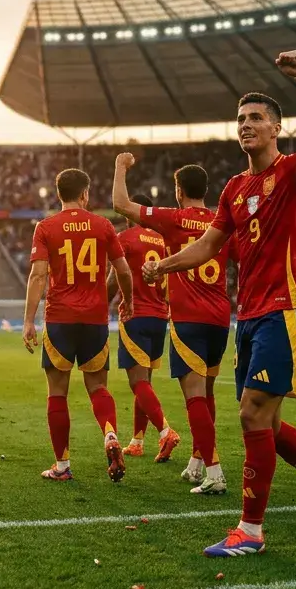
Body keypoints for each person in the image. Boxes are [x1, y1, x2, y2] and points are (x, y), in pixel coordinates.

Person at [145, 50, 296, 556]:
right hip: (251, 316)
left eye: (256, 118)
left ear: (277, 129)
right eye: (241, 119)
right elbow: (209, 246)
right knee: (269, 425)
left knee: (250, 415)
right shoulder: (235, 188)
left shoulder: (294, 173)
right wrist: (166, 264)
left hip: (286, 310)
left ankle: (251, 531)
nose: (246, 125)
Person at [113, 157, 230, 495]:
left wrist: (121, 166)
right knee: (207, 393)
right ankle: (197, 461)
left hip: (189, 318)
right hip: (221, 318)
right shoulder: (221, 223)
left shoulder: (174, 218)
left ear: (178, 191)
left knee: (193, 396)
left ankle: (214, 472)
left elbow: (120, 204)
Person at [23, 168, 136, 483]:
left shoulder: (45, 228)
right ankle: (111, 434)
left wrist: (29, 320)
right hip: (95, 319)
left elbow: (38, 276)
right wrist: (127, 301)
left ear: (60, 194)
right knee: (98, 387)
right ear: (85, 194)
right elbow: (124, 271)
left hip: (60, 319)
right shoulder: (103, 225)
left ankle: (61, 466)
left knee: (57, 393)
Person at [105, 191, 180, 464]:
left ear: (130, 215)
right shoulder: (164, 241)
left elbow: (115, 280)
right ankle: (137, 441)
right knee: (144, 382)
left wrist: (100, 304)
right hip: (160, 316)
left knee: (137, 382)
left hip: (135, 315)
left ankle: (165, 431)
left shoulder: (125, 239)